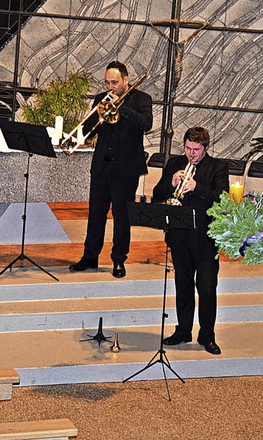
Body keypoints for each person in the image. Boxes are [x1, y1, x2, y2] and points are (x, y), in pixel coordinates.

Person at [69, 61, 153, 278]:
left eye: (114, 82)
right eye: (107, 82)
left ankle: (118, 259)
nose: (110, 87)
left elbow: (146, 123)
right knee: (96, 214)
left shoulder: (142, 99)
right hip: (101, 167)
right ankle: (90, 256)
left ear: (125, 80)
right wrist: (92, 118)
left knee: (121, 217)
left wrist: (121, 107)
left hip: (126, 169)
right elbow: (88, 131)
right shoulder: (100, 100)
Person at [153, 127, 229, 355]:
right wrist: (171, 182)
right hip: (179, 237)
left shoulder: (217, 167)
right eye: (187, 148)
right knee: (183, 287)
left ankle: (207, 336)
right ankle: (183, 331)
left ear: (205, 147)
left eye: (196, 149)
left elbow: (222, 198)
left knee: (207, 289)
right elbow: (158, 193)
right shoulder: (174, 163)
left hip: (205, 240)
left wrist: (197, 187)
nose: (191, 154)